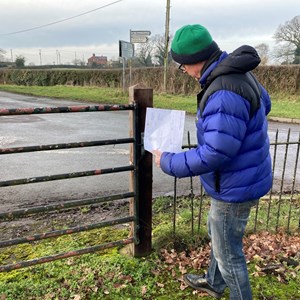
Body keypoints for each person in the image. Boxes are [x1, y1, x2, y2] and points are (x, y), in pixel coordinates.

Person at [153, 24, 272, 299]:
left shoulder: (222, 91)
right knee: (218, 234)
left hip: (234, 188)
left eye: (182, 67)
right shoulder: (237, 73)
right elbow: (266, 104)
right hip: (243, 178)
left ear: (194, 62)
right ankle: (215, 283)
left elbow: (215, 153)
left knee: (229, 255)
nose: (185, 73)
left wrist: (168, 161)